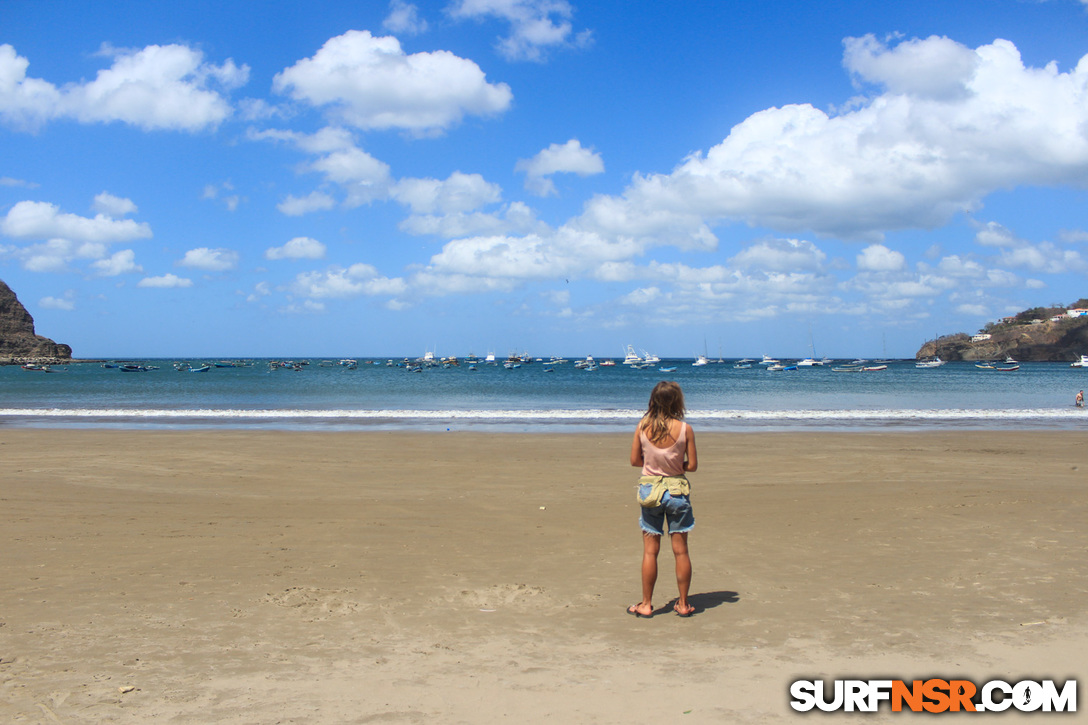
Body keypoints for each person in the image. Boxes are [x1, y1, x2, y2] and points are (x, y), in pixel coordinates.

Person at [627, 381, 698, 618]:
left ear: (653, 401)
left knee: (650, 551)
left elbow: (635, 461)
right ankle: (684, 604)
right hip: (677, 490)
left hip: (650, 491)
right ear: (678, 401)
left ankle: (646, 604)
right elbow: (693, 466)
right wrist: (677, 465)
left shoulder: (642, 427)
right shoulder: (685, 429)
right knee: (681, 551)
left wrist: (654, 465)